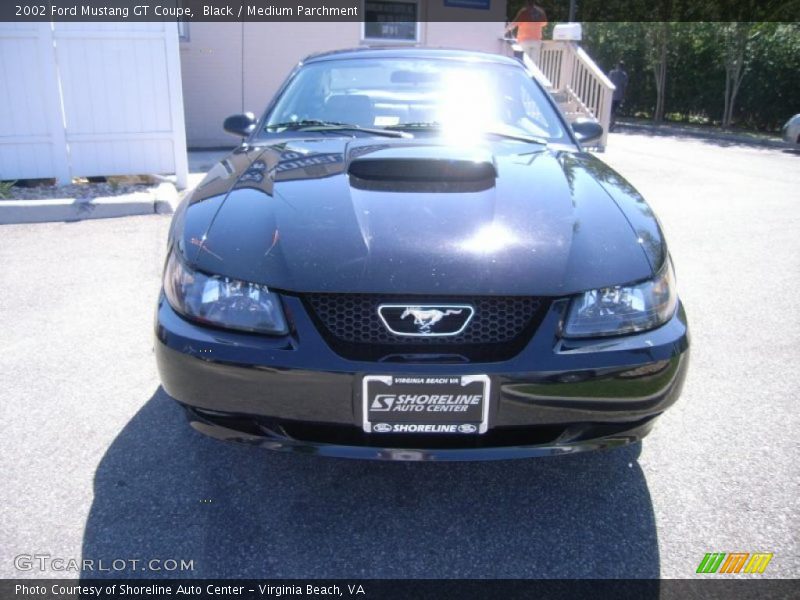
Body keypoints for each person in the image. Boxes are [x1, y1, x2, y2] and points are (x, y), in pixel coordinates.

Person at [506, 1, 548, 67]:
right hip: (536, 41)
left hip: (524, 40)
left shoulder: (524, 12)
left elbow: (514, 24)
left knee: (524, 62)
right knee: (533, 64)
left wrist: (505, 30)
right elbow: (544, 23)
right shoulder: (540, 12)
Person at [608, 60, 629, 131]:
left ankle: (610, 123)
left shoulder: (612, 73)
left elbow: (608, 82)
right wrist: (624, 95)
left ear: (617, 65)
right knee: (614, 110)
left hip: (610, 94)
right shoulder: (624, 75)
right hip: (619, 95)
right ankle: (612, 123)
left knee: (610, 110)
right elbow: (624, 86)